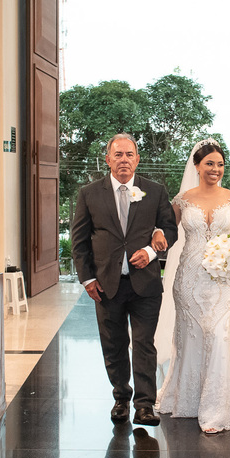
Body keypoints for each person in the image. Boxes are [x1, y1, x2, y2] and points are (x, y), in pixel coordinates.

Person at [70, 133, 178, 427]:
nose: (124, 160)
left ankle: (145, 405)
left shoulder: (153, 191)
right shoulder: (89, 193)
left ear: (137, 159)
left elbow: (170, 230)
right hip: (106, 284)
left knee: (144, 344)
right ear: (108, 159)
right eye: (118, 155)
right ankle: (121, 397)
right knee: (114, 344)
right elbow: (79, 241)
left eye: (129, 154)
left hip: (145, 284)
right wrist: (87, 279)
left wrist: (150, 251)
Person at [153, 140, 230, 434]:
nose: (216, 169)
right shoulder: (182, 200)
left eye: (220, 164)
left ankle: (216, 408)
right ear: (197, 166)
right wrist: (156, 236)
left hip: (224, 279)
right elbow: (166, 231)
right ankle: (186, 400)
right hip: (189, 278)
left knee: (219, 335)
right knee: (192, 336)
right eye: (210, 163)